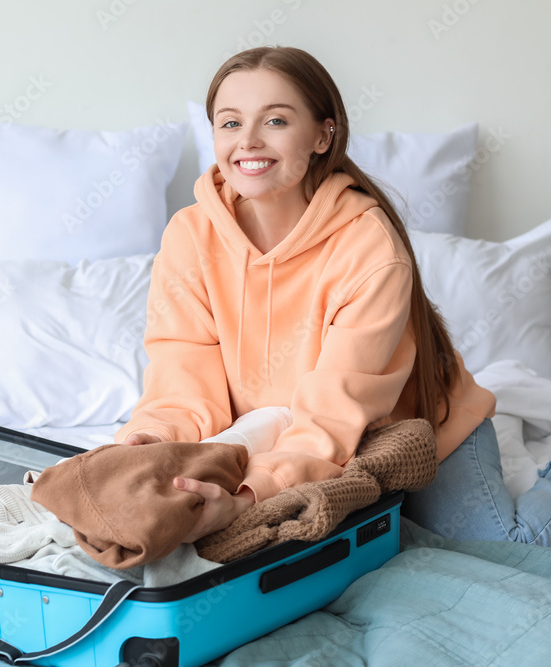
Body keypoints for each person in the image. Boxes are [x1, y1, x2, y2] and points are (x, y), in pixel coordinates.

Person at [116, 46, 551, 546]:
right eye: (230, 123)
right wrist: (153, 439)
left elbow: (333, 413)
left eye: (275, 120)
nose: (248, 142)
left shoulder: (368, 245)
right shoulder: (190, 236)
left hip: (406, 433)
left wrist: (251, 496)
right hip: (295, 443)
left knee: (509, 547)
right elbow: (183, 371)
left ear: (324, 134)